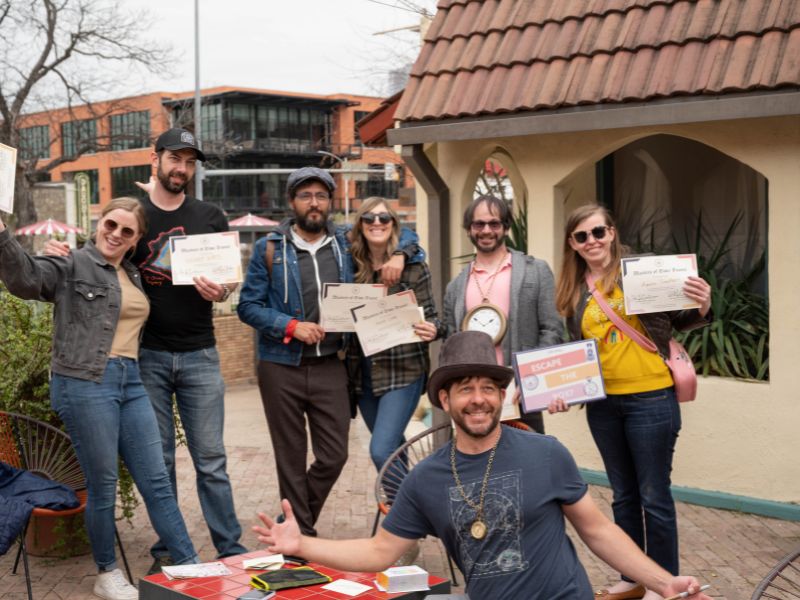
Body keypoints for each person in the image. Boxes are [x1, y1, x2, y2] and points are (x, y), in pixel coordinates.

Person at [252, 331, 713, 600]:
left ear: (501, 396)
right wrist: (304, 544)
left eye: (489, 388)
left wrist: (663, 581)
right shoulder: (424, 479)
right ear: (445, 399)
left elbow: (598, 531)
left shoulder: (545, 453)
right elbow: (378, 553)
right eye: (466, 388)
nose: (478, 399)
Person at [46, 128, 247, 570]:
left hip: (200, 353)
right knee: (160, 463)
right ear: (154, 160)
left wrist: (223, 290)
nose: (182, 168)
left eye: (190, 162)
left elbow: (229, 278)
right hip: (145, 357)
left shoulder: (210, 215)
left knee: (211, 459)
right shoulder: (134, 215)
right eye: (175, 159)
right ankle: (168, 551)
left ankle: (230, 548)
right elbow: (99, 255)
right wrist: (61, 252)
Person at [0, 199, 198, 600]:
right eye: (111, 224)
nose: (116, 234)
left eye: (127, 231)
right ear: (98, 224)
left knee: (157, 479)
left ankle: (191, 564)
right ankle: (106, 572)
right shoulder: (71, 264)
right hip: (85, 382)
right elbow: (25, 279)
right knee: (103, 484)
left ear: (136, 239)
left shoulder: (133, 274)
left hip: (131, 381)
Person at [237, 167, 419, 537]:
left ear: (330, 203)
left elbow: (398, 229)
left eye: (321, 196)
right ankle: (300, 535)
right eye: (306, 196)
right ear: (292, 202)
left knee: (335, 454)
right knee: (290, 458)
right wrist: (290, 325)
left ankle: (292, 525)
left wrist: (400, 253)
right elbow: (248, 306)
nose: (314, 203)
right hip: (280, 365)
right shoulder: (269, 248)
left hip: (332, 365)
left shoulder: (343, 243)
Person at [551, 204, 712, 600]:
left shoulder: (641, 272)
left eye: (598, 232)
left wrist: (703, 303)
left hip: (651, 398)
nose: (593, 242)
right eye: (582, 236)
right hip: (604, 405)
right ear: (572, 244)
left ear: (612, 232)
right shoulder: (574, 291)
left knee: (653, 495)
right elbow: (575, 355)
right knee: (623, 495)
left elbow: (683, 316)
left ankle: (664, 581)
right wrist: (560, 390)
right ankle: (631, 576)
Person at [443, 195, 562, 434]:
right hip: (474, 398)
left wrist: (532, 380)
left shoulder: (536, 271)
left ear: (506, 228)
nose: (486, 230)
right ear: (469, 230)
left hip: (520, 392)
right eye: (479, 224)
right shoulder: (456, 286)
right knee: (477, 466)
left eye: (494, 224)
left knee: (528, 464)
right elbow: (451, 340)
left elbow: (552, 329)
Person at [346, 197, 443, 471]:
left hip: (403, 371)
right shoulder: (349, 267)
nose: (377, 223)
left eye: (384, 218)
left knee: (381, 449)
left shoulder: (414, 267)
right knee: (394, 450)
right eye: (369, 218)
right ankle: (409, 507)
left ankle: (403, 510)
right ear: (360, 224)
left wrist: (433, 329)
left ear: (393, 224)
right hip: (362, 374)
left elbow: (435, 319)